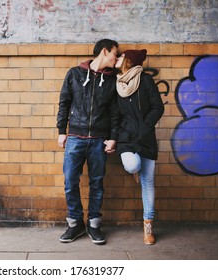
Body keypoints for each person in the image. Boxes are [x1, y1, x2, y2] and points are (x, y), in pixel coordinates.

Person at [56, 38, 119, 245]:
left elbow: (114, 113)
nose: (116, 57)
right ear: (104, 51)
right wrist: (61, 130)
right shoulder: (74, 74)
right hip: (75, 137)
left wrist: (112, 138)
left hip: (99, 140)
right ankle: (75, 224)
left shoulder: (112, 80)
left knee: (97, 183)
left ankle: (93, 224)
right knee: (70, 181)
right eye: (114, 54)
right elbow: (64, 102)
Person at [113, 49, 164, 245]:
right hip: (126, 139)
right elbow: (114, 115)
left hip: (146, 138)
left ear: (128, 60)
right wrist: (117, 135)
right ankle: (136, 170)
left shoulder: (146, 81)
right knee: (133, 165)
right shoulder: (116, 83)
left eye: (120, 57)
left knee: (148, 183)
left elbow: (158, 107)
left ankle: (148, 226)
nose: (117, 59)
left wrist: (145, 126)